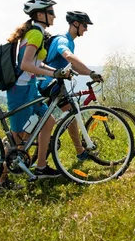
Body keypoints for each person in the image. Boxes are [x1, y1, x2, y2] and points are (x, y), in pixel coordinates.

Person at [0, 0, 71, 189]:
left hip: (30, 87)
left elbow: (36, 63)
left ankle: (41, 167)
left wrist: (55, 72)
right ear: (40, 14)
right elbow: (25, 64)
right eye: (51, 12)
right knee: (17, 137)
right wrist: (53, 72)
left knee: (49, 121)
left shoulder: (36, 32)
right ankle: (1, 180)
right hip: (21, 90)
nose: (55, 16)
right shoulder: (36, 34)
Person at [39, 10, 103, 161]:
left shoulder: (70, 41)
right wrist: (90, 71)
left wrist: (89, 73)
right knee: (70, 114)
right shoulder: (63, 40)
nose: (86, 29)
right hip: (49, 84)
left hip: (53, 84)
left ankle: (79, 151)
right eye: (85, 25)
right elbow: (68, 56)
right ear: (75, 24)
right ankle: (79, 151)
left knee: (70, 115)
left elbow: (73, 66)